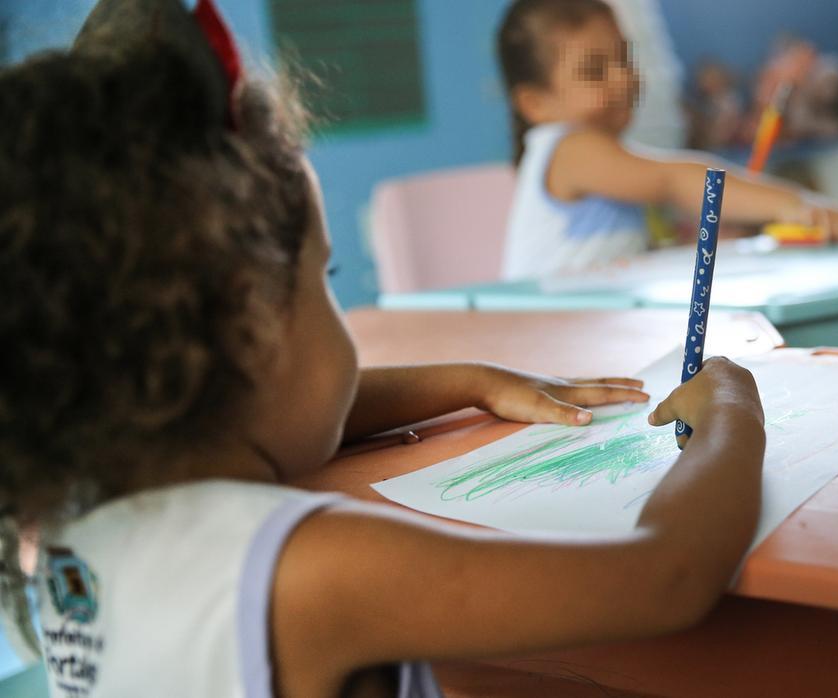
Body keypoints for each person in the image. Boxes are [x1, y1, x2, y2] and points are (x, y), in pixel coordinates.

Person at [0, 1, 767, 695]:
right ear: (249, 330)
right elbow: (662, 578)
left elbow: (324, 404)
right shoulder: (307, 569)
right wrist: (733, 414)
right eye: (324, 276)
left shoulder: (76, 521)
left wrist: (471, 380)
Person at [497, 0, 838, 280]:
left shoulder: (600, 159)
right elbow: (671, 181)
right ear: (535, 103)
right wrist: (795, 204)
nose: (622, 79)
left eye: (624, 58)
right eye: (594, 72)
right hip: (552, 347)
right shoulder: (569, 147)